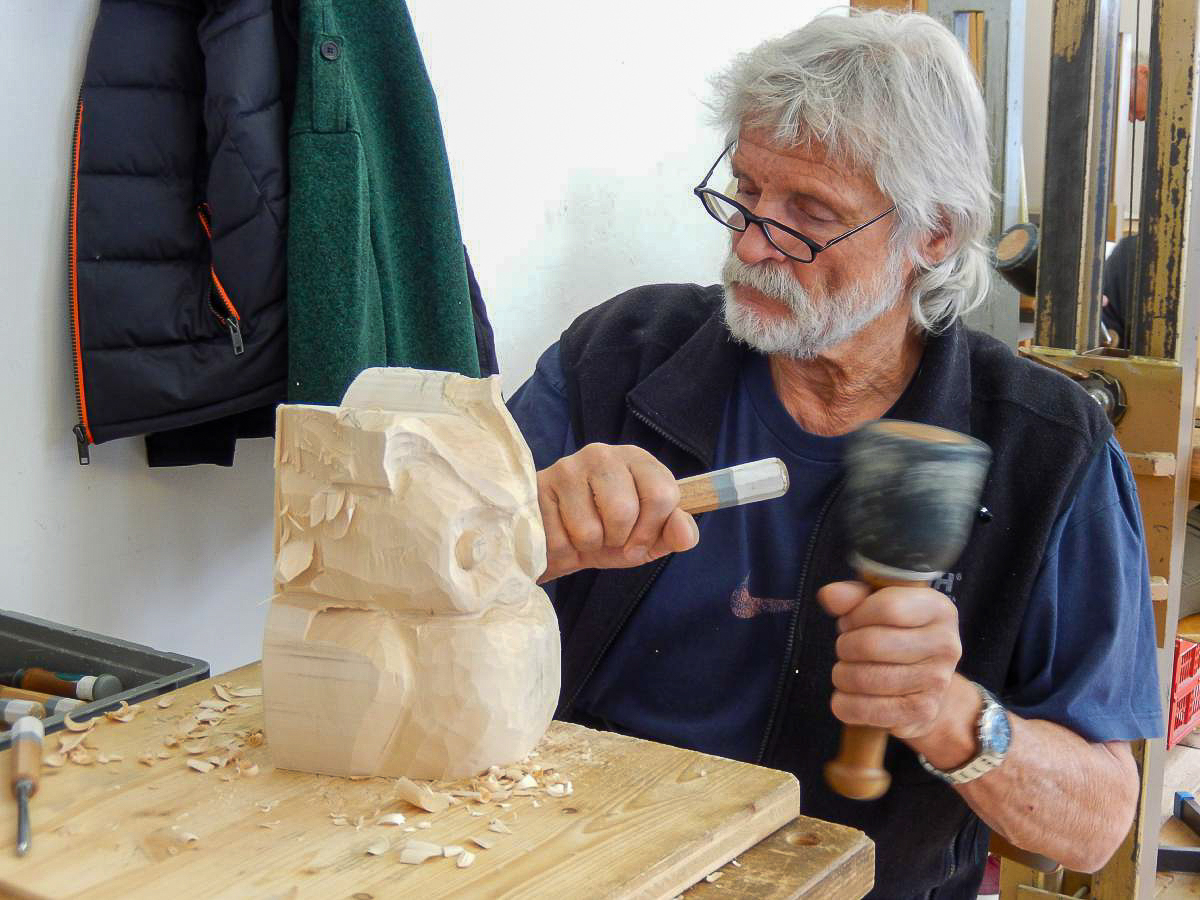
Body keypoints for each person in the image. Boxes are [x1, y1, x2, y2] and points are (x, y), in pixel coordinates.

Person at [507, 12, 1161, 899]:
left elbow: (1096, 825)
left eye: (809, 216)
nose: (749, 243)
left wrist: (951, 715)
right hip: (573, 857)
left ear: (934, 234)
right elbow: (423, 576)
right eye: (746, 191)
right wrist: (527, 538)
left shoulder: (1046, 450)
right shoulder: (619, 354)